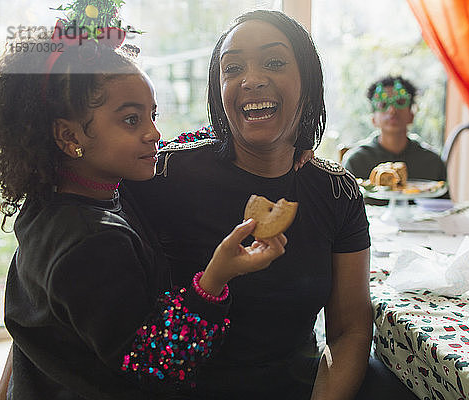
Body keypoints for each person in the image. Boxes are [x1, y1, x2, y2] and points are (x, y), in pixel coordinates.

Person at [0, 14, 287, 400]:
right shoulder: (90, 242)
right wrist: (216, 277)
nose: (154, 132)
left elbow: (176, 145)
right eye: (131, 119)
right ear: (68, 135)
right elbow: (156, 365)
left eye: (152, 114)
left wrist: (272, 145)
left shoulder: (65, 197)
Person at [124, 10, 373, 399]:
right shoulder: (166, 175)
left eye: (274, 62)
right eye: (233, 68)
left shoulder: (336, 191)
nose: (252, 79)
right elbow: (66, 275)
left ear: (308, 81)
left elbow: (350, 330)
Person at [342, 75, 446, 183]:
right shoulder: (356, 161)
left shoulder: (432, 162)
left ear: (412, 115)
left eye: (400, 103)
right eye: (383, 104)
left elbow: (442, 200)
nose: (392, 110)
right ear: (373, 119)